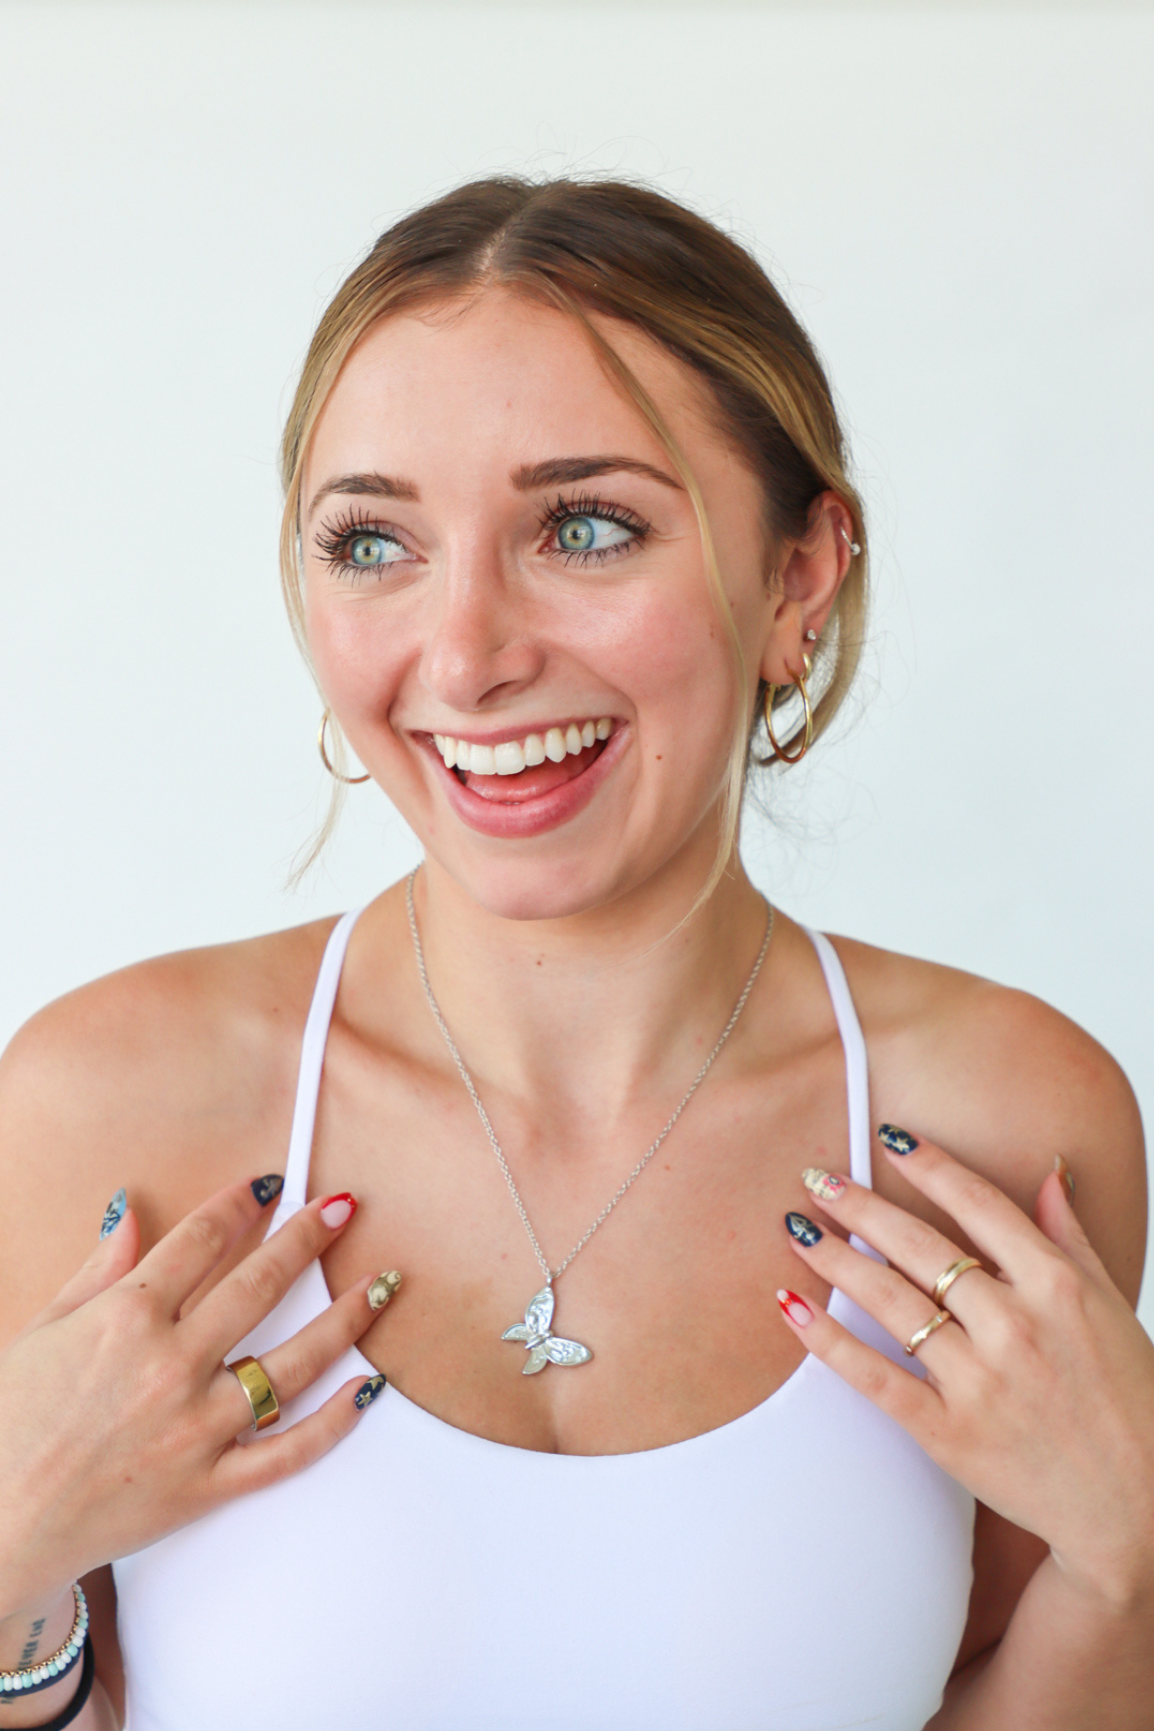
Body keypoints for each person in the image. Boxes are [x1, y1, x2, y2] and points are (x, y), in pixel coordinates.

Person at [0, 176, 1151, 1731]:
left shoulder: (1005, 1118)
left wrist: (1132, 1561)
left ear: (799, 577)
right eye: (371, 542)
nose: (465, 653)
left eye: (585, 527)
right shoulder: (106, 1101)